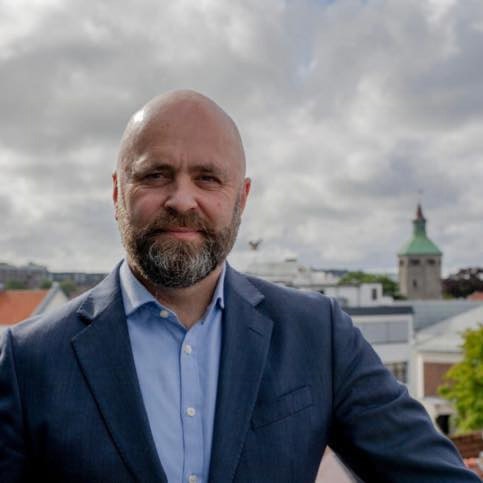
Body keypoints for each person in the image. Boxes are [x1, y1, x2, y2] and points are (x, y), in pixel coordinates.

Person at [0, 90, 478, 483]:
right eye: (156, 175)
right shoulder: (28, 361)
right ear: (117, 192)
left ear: (242, 198)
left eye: (208, 178)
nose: (182, 199)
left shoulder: (319, 335)